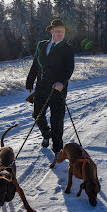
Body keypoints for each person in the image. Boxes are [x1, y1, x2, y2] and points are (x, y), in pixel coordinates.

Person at [26, 19, 74, 157]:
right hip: (41, 88)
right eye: (57, 31)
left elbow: (69, 68)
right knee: (37, 115)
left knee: (57, 120)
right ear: (51, 31)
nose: (60, 34)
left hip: (58, 90)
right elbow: (36, 64)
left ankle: (57, 148)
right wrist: (30, 81)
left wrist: (62, 82)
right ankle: (46, 134)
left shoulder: (68, 49)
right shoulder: (41, 45)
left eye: (62, 32)